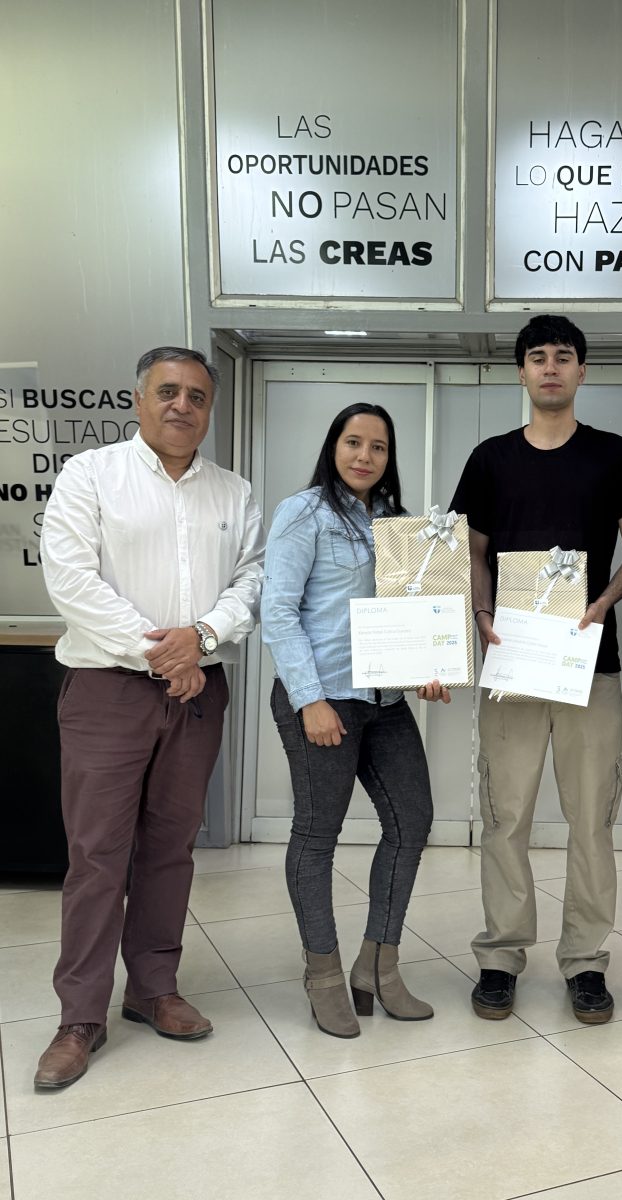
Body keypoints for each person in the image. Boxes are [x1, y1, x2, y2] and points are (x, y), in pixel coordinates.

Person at [35, 346, 265, 1089]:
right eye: (167, 392)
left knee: (170, 849)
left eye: (197, 396)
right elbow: (72, 580)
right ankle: (80, 1016)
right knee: (97, 855)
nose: (181, 406)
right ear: (138, 400)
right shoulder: (90, 475)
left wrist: (202, 638)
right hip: (108, 689)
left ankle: (153, 989)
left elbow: (250, 581)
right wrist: (165, 653)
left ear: (209, 409)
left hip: (198, 693)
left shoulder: (234, 492)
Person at [450, 314, 622, 1023]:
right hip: (512, 662)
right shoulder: (490, 460)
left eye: (563, 357)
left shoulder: (614, 456)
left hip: (588, 663)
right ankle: (501, 955)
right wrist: (483, 614)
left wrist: (602, 602)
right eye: (537, 357)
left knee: (591, 819)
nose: (550, 367)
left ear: (581, 370)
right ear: (521, 371)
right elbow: (474, 552)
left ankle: (585, 962)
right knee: (505, 815)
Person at [261, 403, 449, 1039]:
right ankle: (322, 974)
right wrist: (309, 698)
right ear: (333, 446)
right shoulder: (304, 513)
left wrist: (427, 665)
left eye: (378, 447)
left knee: (412, 822)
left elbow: (411, 611)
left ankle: (377, 967)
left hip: (385, 700)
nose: (365, 456)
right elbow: (278, 611)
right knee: (318, 836)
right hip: (323, 699)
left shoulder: (398, 523)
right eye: (353, 442)